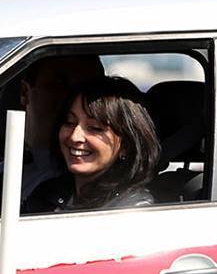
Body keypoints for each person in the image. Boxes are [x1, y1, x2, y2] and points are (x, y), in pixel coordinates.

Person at [0, 52, 102, 212]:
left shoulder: (85, 192)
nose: (75, 98)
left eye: (89, 89)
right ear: (25, 92)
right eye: (61, 83)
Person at [28, 75, 162, 212]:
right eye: (69, 122)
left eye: (95, 128)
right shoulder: (47, 193)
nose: (75, 137)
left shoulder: (132, 209)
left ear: (126, 145)